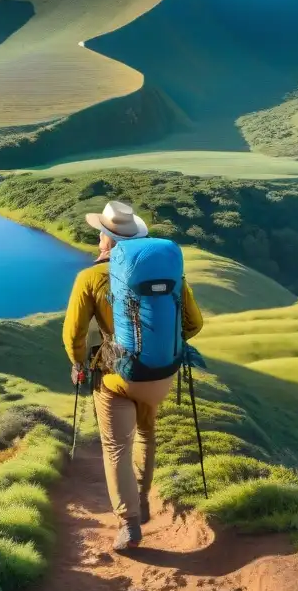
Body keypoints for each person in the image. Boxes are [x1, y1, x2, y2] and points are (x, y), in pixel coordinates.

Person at [63, 200, 203, 551]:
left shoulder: (90, 277)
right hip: (161, 373)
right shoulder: (168, 274)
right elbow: (195, 323)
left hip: (117, 378)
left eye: (100, 235)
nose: (98, 240)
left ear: (107, 241)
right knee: (146, 434)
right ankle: (141, 500)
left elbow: (73, 335)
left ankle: (129, 523)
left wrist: (79, 365)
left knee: (116, 448)